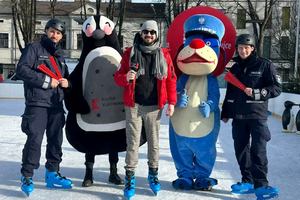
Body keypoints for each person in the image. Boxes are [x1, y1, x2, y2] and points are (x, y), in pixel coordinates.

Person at [114, 20, 177, 199]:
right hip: (134, 105)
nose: (148, 35)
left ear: (157, 35)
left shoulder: (164, 55)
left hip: (154, 106)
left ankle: (153, 175)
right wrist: (125, 76)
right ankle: (130, 177)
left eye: (152, 32)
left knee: (154, 143)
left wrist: (172, 102)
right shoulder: (130, 53)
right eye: (145, 32)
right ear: (140, 34)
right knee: (132, 143)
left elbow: (171, 79)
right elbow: (117, 77)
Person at [16, 18, 72, 196]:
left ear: (61, 36)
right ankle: (27, 176)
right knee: (35, 139)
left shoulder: (60, 55)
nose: (54, 35)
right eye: (52, 31)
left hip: (56, 105)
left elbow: (66, 78)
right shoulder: (34, 48)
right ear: (46, 31)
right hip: (38, 103)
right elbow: (22, 70)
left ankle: (52, 173)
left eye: (58, 33)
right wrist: (47, 81)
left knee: (56, 140)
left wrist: (67, 83)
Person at [221, 33, 281, 199]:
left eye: (246, 47)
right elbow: (230, 92)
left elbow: (276, 88)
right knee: (241, 150)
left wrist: (257, 93)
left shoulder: (264, 65)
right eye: (240, 48)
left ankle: (261, 185)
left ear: (253, 48)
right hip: (239, 116)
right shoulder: (235, 67)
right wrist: (226, 112)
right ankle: (247, 181)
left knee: (258, 150)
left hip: (257, 116)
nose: (243, 50)